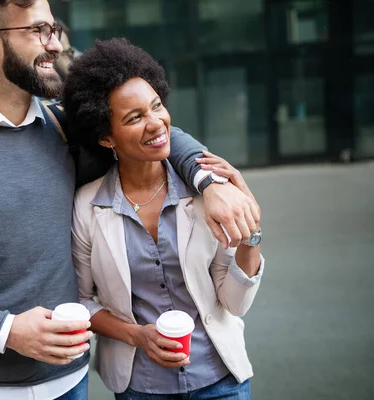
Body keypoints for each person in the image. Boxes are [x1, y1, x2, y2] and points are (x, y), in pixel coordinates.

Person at [0, 0, 259, 399]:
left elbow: (152, 133)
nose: (54, 45)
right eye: (37, 31)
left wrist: (208, 182)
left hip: (70, 385)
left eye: (52, 29)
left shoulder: (66, 131)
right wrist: (6, 331)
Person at [64, 38, 265, 399]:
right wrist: (137, 336)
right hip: (140, 386)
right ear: (107, 138)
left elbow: (235, 304)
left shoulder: (203, 194)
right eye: (135, 117)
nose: (156, 123)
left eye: (156, 106)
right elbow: (82, 301)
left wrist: (251, 234)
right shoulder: (87, 206)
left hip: (220, 380)